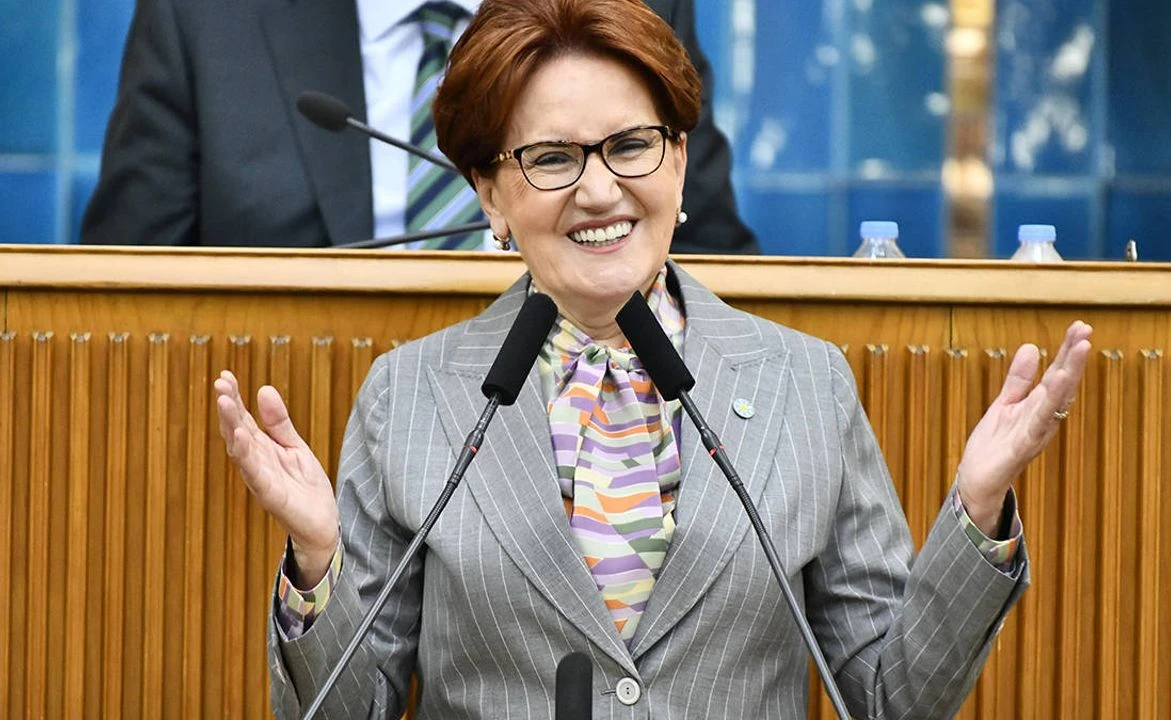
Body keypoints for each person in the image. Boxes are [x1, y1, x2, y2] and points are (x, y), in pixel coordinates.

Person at [214, 0, 1093, 717]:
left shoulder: (805, 384)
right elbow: (349, 711)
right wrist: (318, 562)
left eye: (631, 145)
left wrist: (977, 510)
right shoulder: (409, 395)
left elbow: (886, 699)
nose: (600, 190)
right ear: (491, 196)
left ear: (677, 160)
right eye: (552, 158)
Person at [79, 0, 757, 254]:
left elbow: (709, 255)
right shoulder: (201, 17)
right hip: (294, 421)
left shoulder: (625, 6)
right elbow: (121, 283)